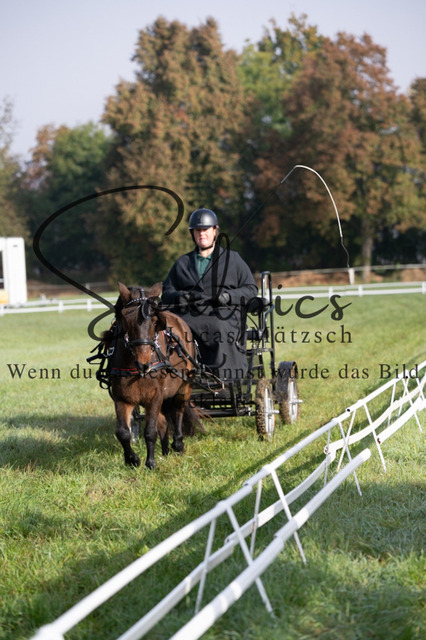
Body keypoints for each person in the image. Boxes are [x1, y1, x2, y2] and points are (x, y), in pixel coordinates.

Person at [162, 208, 258, 380]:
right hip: (189, 315)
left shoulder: (233, 259)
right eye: (197, 230)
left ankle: (223, 379)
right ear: (192, 234)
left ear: (215, 231)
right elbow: (167, 292)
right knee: (171, 331)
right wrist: (179, 296)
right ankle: (176, 377)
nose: (202, 234)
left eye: (205, 229)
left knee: (218, 327)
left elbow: (250, 289)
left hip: (223, 314)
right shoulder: (182, 263)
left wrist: (228, 297)